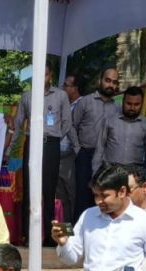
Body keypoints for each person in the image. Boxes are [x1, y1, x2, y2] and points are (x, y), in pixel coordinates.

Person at [9, 65, 79, 244]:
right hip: (31, 144)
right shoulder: (27, 96)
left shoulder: (60, 95)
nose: (42, 78)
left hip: (50, 146)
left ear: (50, 76)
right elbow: (18, 124)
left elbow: (66, 123)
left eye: (45, 74)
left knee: (49, 192)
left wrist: (54, 137)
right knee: (29, 191)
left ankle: (49, 236)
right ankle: (27, 236)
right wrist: (11, 150)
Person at [72, 68, 121, 219]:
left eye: (114, 82)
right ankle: (79, 232)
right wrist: (78, 149)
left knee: (105, 195)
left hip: (107, 159)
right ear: (100, 80)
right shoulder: (85, 102)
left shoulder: (118, 108)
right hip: (86, 154)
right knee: (83, 194)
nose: (110, 85)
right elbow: (72, 125)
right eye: (107, 80)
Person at [92, 86, 146, 175]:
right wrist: (95, 174)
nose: (132, 107)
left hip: (134, 175)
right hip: (110, 173)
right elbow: (99, 149)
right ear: (123, 102)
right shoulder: (110, 121)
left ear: (142, 104)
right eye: (129, 103)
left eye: (136, 104)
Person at [56, 74, 81, 222]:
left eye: (66, 85)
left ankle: (74, 232)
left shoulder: (82, 104)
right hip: (58, 155)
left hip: (71, 155)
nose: (63, 88)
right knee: (60, 196)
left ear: (75, 88)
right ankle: (65, 232)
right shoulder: (63, 104)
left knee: (72, 194)